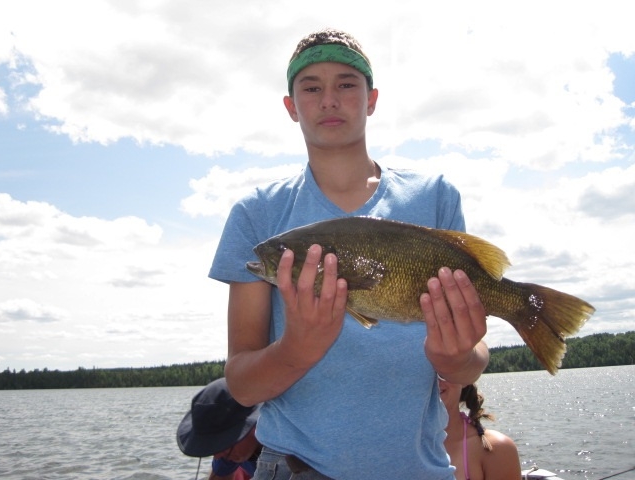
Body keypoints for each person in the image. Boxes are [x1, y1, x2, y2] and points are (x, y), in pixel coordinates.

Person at [209, 28, 489, 479]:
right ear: (291, 107)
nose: (329, 100)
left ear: (371, 99)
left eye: (345, 84)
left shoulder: (436, 196)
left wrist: (455, 359)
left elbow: (471, 360)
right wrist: (298, 347)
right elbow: (241, 384)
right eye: (311, 88)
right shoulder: (256, 214)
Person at [177, 377, 262, 480]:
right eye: (215, 444)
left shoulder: (279, 443)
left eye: (224, 442)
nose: (217, 455)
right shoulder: (227, 453)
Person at [439, 378, 522, 480]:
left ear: (464, 377)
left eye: (441, 373)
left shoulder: (497, 449)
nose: (433, 380)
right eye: (423, 371)